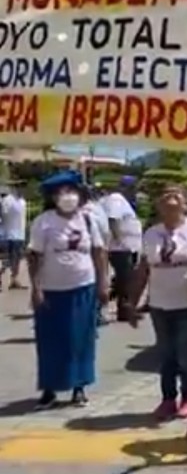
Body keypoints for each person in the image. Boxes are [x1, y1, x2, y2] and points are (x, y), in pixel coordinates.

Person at [126, 186, 187, 420]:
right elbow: (143, 270)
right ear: (158, 205)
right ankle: (168, 398)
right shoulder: (151, 234)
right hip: (160, 303)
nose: (170, 198)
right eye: (165, 194)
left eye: (176, 195)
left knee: (184, 352)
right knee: (166, 352)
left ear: (185, 204)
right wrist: (132, 303)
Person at [27, 171, 108, 409]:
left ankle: (79, 387)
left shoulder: (88, 219)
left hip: (83, 286)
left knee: (81, 338)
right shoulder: (44, 221)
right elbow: (34, 256)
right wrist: (36, 287)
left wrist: (103, 283)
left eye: (71, 191)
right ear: (52, 197)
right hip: (51, 289)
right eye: (60, 192)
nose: (67, 197)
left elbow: (99, 252)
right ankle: (49, 389)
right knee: (50, 339)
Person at [101, 178, 142, 321]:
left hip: (125, 247)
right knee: (126, 280)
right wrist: (120, 239)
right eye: (132, 187)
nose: (134, 191)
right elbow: (113, 219)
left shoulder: (122, 201)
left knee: (123, 279)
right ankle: (124, 311)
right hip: (121, 248)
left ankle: (121, 306)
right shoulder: (116, 200)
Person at [84, 185, 111, 326]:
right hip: (99, 250)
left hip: (87, 253)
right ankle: (97, 314)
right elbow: (106, 232)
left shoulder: (83, 212)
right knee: (100, 282)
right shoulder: (98, 210)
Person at [1, 182, 27, 290]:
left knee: (17, 259)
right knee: (6, 260)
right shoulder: (7, 200)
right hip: (8, 235)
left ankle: (14, 280)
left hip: (20, 234)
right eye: (19, 187)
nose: (22, 190)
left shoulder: (22, 201)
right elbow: (3, 215)